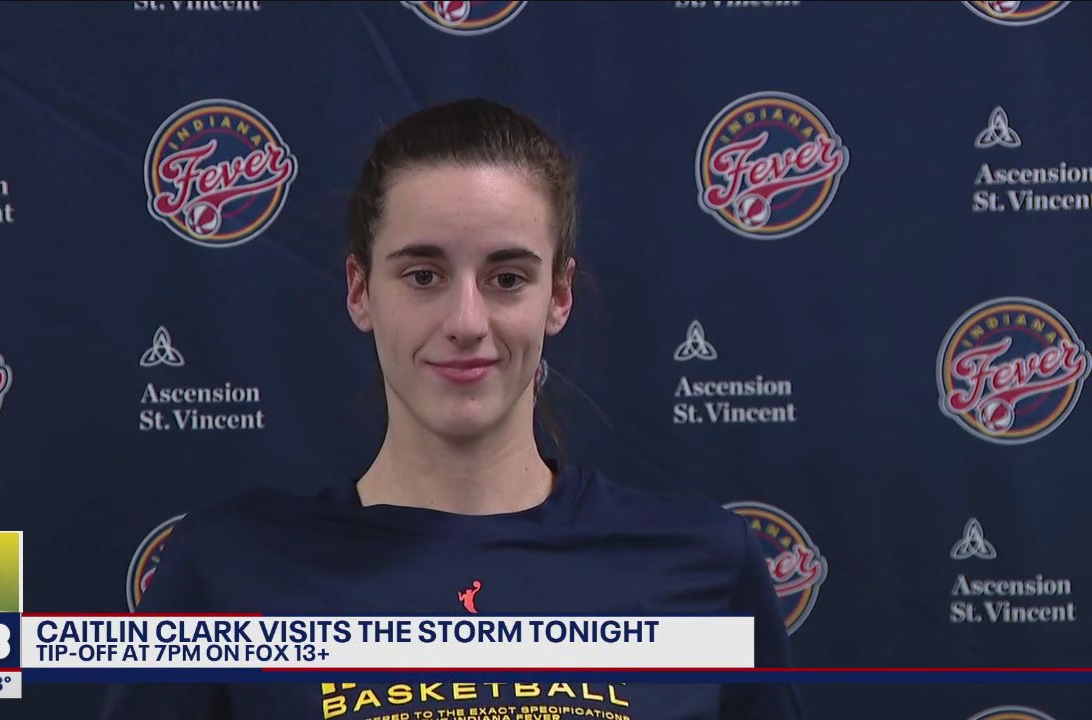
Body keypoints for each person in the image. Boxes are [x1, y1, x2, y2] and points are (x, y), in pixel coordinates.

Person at [101, 98, 805, 720]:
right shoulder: (225, 568)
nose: (466, 320)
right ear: (360, 292)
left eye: (506, 277)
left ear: (557, 296)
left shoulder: (704, 563)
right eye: (423, 275)